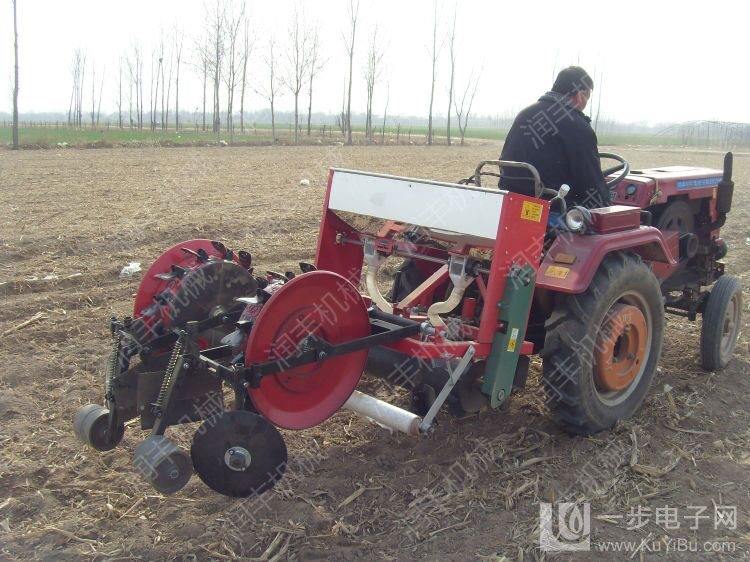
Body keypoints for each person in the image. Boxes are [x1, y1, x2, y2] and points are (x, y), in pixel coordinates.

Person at [499, 66, 609, 208]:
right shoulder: (577, 125)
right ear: (580, 95)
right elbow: (590, 179)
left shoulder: (526, 114)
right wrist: (606, 203)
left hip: (513, 199)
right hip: (553, 205)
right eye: (587, 97)